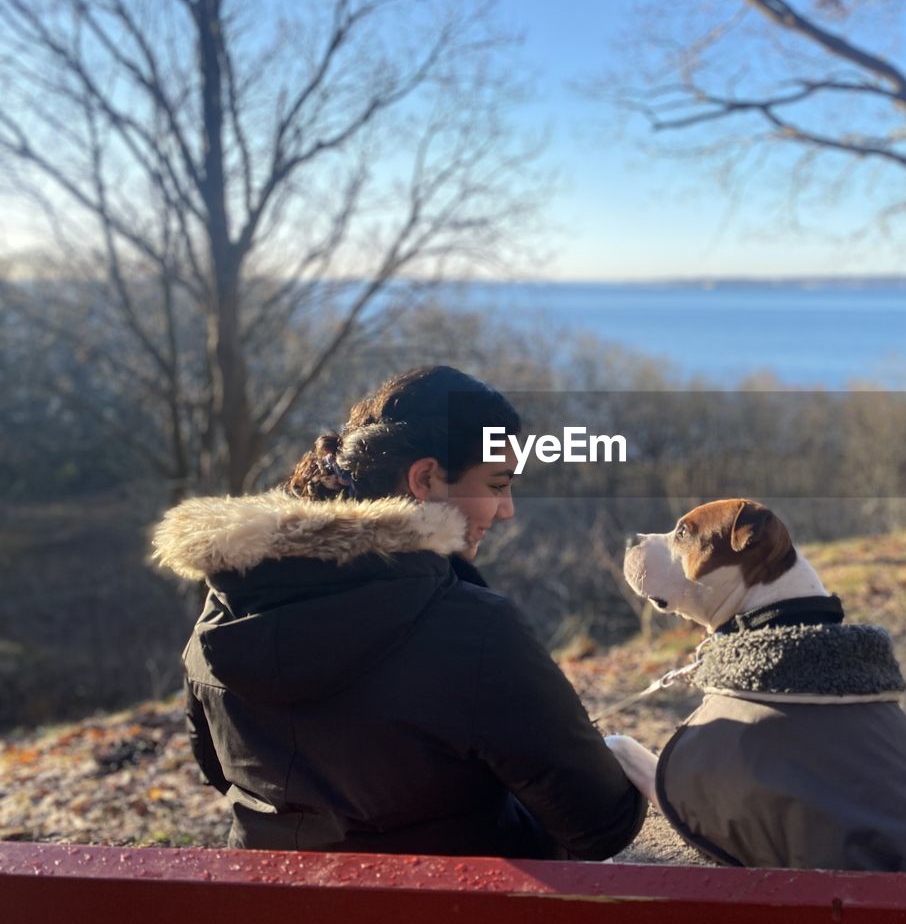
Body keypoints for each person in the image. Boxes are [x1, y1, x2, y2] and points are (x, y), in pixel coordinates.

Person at [152, 366, 645, 859]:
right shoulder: (473, 631)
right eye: (496, 485)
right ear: (425, 478)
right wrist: (617, 757)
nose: (506, 509)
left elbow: (220, 769)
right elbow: (599, 824)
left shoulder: (225, 609)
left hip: (272, 901)